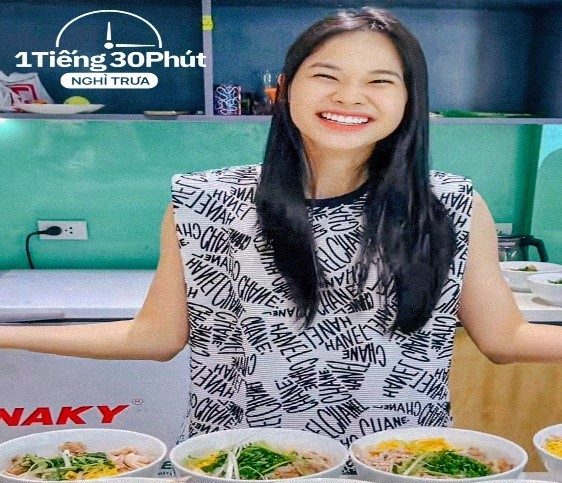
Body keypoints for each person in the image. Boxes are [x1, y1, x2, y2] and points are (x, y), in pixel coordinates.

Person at [1, 7, 560, 449]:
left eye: (380, 80)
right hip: (238, 461)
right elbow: (153, 337)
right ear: (287, 87)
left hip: (399, 461)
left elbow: (505, 338)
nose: (349, 97)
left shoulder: (453, 206)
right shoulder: (204, 201)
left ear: (409, 100)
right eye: (326, 76)